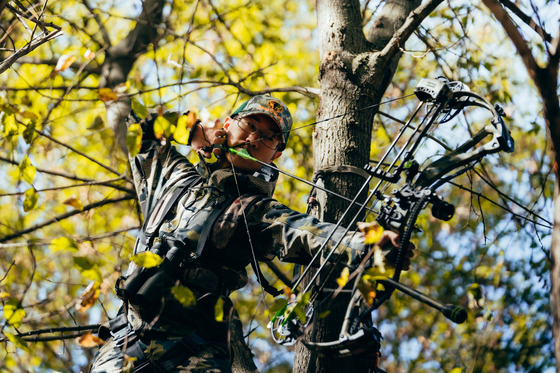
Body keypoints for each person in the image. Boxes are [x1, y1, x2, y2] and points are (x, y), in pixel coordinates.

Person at [90, 95, 409, 372]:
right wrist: (190, 128)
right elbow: (123, 111)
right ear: (226, 125)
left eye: (269, 137)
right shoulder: (172, 176)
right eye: (251, 125)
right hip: (122, 347)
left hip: (193, 358)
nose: (255, 138)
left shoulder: (254, 211)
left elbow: (305, 233)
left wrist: (368, 242)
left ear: (274, 157)